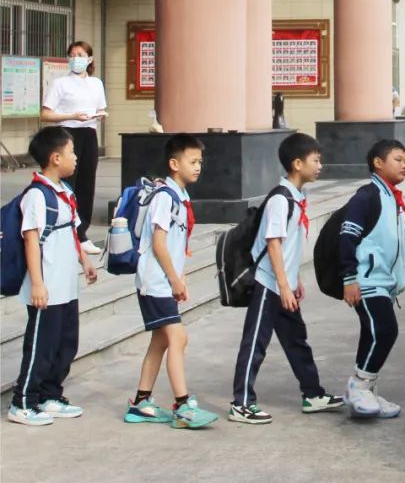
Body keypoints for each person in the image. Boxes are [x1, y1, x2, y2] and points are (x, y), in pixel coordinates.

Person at [229, 133, 344, 424]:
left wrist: (294, 281)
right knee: (255, 343)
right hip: (269, 283)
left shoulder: (296, 196)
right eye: (315, 160)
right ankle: (241, 403)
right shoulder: (281, 200)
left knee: (296, 340)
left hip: (283, 284)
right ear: (296, 163)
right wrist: (282, 284)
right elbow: (273, 243)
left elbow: (288, 246)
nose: (320, 165)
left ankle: (313, 394)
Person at [125, 134, 218, 429]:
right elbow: (159, 244)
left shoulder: (180, 196)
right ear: (174, 163)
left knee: (161, 340)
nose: (198, 167)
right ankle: (182, 406)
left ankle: (141, 403)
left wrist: (180, 278)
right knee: (178, 337)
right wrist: (174, 279)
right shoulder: (164, 197)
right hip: (155, 281)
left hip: (164, 280)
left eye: (200, 162)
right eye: (193, 162)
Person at [9, 127, 98, 426]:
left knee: (65, 342)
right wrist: (37, 283)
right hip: (46, 285)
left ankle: (50, 394)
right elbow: (32, 240)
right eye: (72, 153)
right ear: (55, 157)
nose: (76, 158)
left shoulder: (65, 192)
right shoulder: (37, 195)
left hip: (65, 284)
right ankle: (23, 401)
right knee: (41, 345)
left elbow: (72, 231)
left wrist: (84, 261)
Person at [340, 139, 405, 419]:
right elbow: (347, 237)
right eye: (398, 159)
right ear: (378, 162)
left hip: (383, 282)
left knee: (373, 332)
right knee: (385, 330)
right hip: (366, 279)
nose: (404, 165)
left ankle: (366, 389)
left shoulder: (392, 198)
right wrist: (349, 278)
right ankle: (359, 386)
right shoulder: (367, 196)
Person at [40, 41, 107, 254]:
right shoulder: (61, 83)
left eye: (79, 54)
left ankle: (82, 233)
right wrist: (72, 116)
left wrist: (102, 115)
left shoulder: (96, 83)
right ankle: (65, 230)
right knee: (68, 182)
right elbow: (45, 114)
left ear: (89, 59)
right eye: (71, 54)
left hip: (89, 133)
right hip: (68, 133)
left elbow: (101, 108)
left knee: (87, 183)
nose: (75, 57)